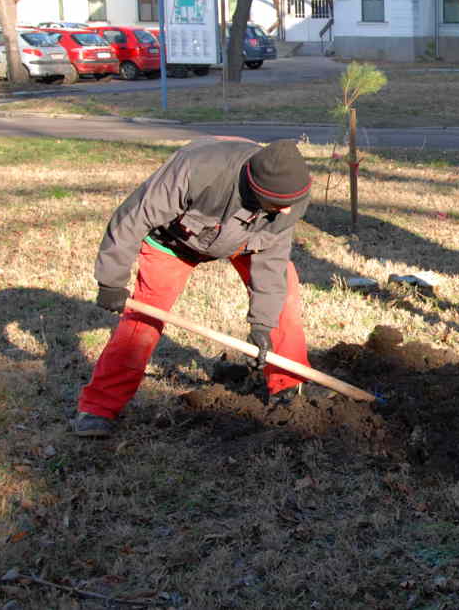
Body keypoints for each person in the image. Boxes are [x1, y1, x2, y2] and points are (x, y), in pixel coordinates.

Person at [72, 137, 314, 437]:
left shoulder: (292, 199)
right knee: (144, 320)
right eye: (279, 205)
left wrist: (263, 324)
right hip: (174, 241)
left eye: (290, 204)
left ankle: (288, 390)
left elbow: (271, 262)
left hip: (244, 242)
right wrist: (111, 280)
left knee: (284, 296)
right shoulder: (197, 169)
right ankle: (99, 407)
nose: (287, 211)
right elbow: (133, 217)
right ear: (257, 189)